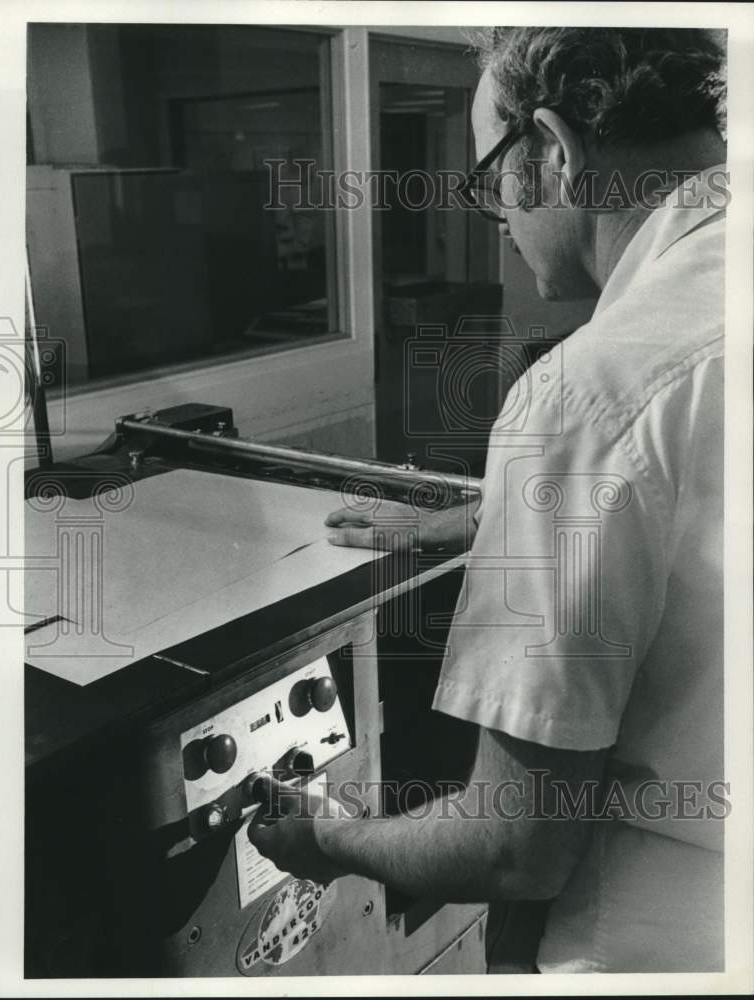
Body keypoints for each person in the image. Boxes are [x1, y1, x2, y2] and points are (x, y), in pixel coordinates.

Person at [248, 27, 727, 973]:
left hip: (659, 938)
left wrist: (330, 840)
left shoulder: (584, 394)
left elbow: (516, 844)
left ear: (553, 148)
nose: (495, 214)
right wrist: (489, 514)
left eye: (490, 179)